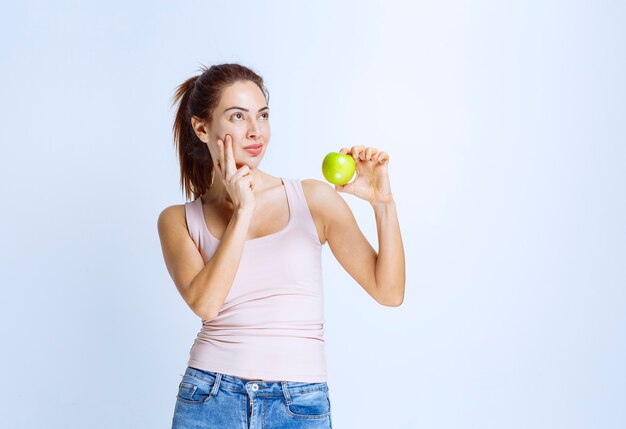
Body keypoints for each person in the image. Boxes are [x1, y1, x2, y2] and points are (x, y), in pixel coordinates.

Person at [157, 63, 405, 429]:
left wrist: (383, 204)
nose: (255, 131)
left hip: (299, 403)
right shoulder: (177, 219)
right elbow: (206, 304)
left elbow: (389, 292)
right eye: (238, 116)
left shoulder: (312, 199)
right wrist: (243, 211)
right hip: (210, 397)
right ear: (202, 127)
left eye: (263, 115)